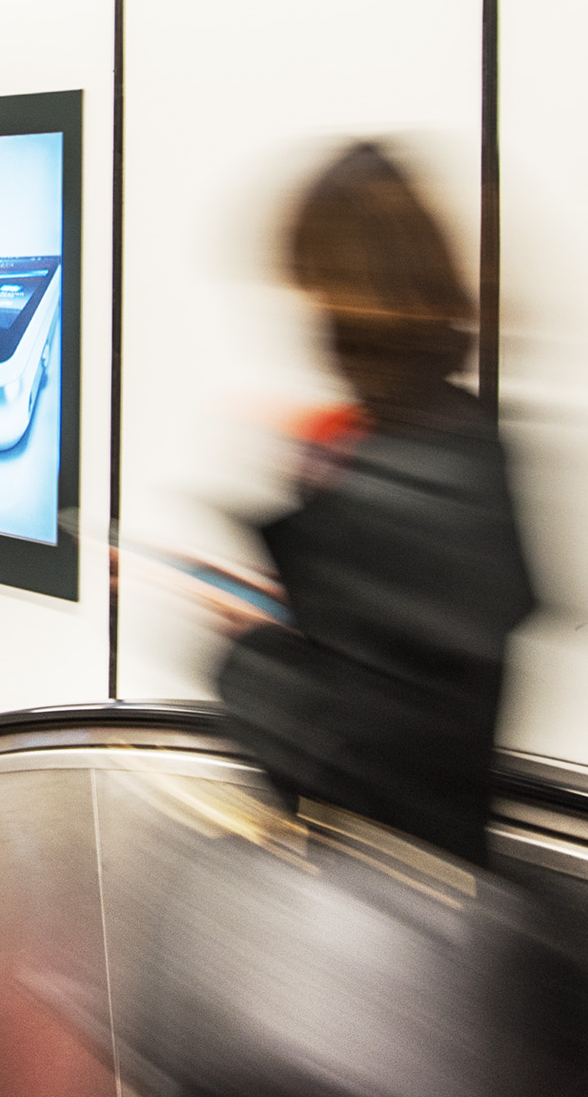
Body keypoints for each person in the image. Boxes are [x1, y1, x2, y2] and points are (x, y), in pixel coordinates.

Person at [213, 141, 536, 866]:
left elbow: (345, 742)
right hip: (440, 866)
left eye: (317, 298)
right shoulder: (474, 445)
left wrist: (247, 647)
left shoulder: (395, 481)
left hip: (385, 878)